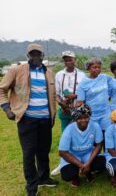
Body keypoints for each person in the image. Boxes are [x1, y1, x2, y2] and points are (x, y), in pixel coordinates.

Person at [0, 43, 58, 196]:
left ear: (42, 56)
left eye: (38, 54)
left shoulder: (49, 73)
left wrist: (53, 115)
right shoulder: (17, 70)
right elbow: (2, 89)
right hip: (27, 120)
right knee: (29, 154)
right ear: (28, 56)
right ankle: (32, 186)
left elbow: (52, 96)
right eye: (32, 54)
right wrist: (7, 108)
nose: (36, 57)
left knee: (43, 151)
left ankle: (44, 178)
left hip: (45, 120)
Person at [52, 51, 85, 176]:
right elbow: (56, 93)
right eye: (65, 60)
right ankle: (63, 163)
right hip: (64, 110)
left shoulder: (82, 75)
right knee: (66, 137)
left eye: (70, 59)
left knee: (78, 137)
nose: (68, 62)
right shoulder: (59, 75)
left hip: (78, 110)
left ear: (75, 60)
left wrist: (74, 96)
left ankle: (80, 161)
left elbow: (85, 91)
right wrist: (62, 104)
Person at [59, 104, 106, 187]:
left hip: (87, 154)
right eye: (80, 118)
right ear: (75, 119)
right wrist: (81, 165)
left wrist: (88, 163)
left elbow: (99, 145)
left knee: (102, 162)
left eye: (86, 117)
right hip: (73, 155)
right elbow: (62, 152)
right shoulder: (69, 129)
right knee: (67, 174)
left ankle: (87, 172)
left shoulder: (95, 126)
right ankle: (75, 177)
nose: (84, 120)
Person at [76, 58, 112, 132]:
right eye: (94, 67)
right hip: (92, 116)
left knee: (107, 133)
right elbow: (80, 103)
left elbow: (115, 83)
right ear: (88, 68)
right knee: (95, 136)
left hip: (106, 113)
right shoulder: (83, 84)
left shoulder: (104, 77)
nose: (97, 69)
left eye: (99, 67)